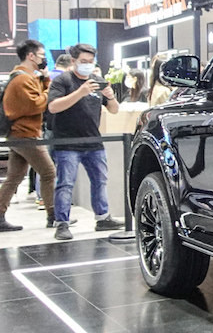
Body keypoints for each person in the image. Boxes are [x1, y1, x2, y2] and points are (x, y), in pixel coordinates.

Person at [47, 42, 124, 240]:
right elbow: (53, 107)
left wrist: (111, 97)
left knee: (100, 181)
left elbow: (114, 110)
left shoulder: (97, 81)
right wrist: (80, 92)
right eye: (83, 61)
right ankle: (61, 223)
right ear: (73, 61)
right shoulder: (62, 81)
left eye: (91, 61)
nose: (87, 65)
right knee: (65, 184)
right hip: (67, 142)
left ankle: (103, 217)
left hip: (93, 141)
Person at [0, 40, 57, 231]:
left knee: (14, 177)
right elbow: (36, 105)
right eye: (41, 55)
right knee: (48, 172)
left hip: (19, 135)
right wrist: (49, 89)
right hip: (26, 135)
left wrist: (45, 81)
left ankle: (0, 215)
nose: (44, 59)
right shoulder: (22, 80)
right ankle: (54, 216)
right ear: (31, 56)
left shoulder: (24, 77)